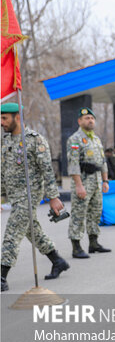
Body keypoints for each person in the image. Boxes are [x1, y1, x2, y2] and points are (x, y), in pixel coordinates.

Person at [1, 102, 69, 291]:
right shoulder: (5, 141)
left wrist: (53, 197)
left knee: (12, 233)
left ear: (17, 117)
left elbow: (47, 170)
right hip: (14, 196)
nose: (1, 122)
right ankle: (57, 261)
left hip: (29, 195)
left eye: (5, 118)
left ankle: (1, 275)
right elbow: (2, 171)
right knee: (33, 231)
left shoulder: (35, 140)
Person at [66, 107, 111, 258]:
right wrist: (79, 185)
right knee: (79, 214)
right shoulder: (75, 139)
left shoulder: (96, 139)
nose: (90, 120)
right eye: (86, 118)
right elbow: (73, 165)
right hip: (83, 182)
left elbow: (103, 162)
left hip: (97, 182)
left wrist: (105, 181)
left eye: (92, 118)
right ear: (80, 121)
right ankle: (76, 246)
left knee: (95, 212)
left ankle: (94, 243)